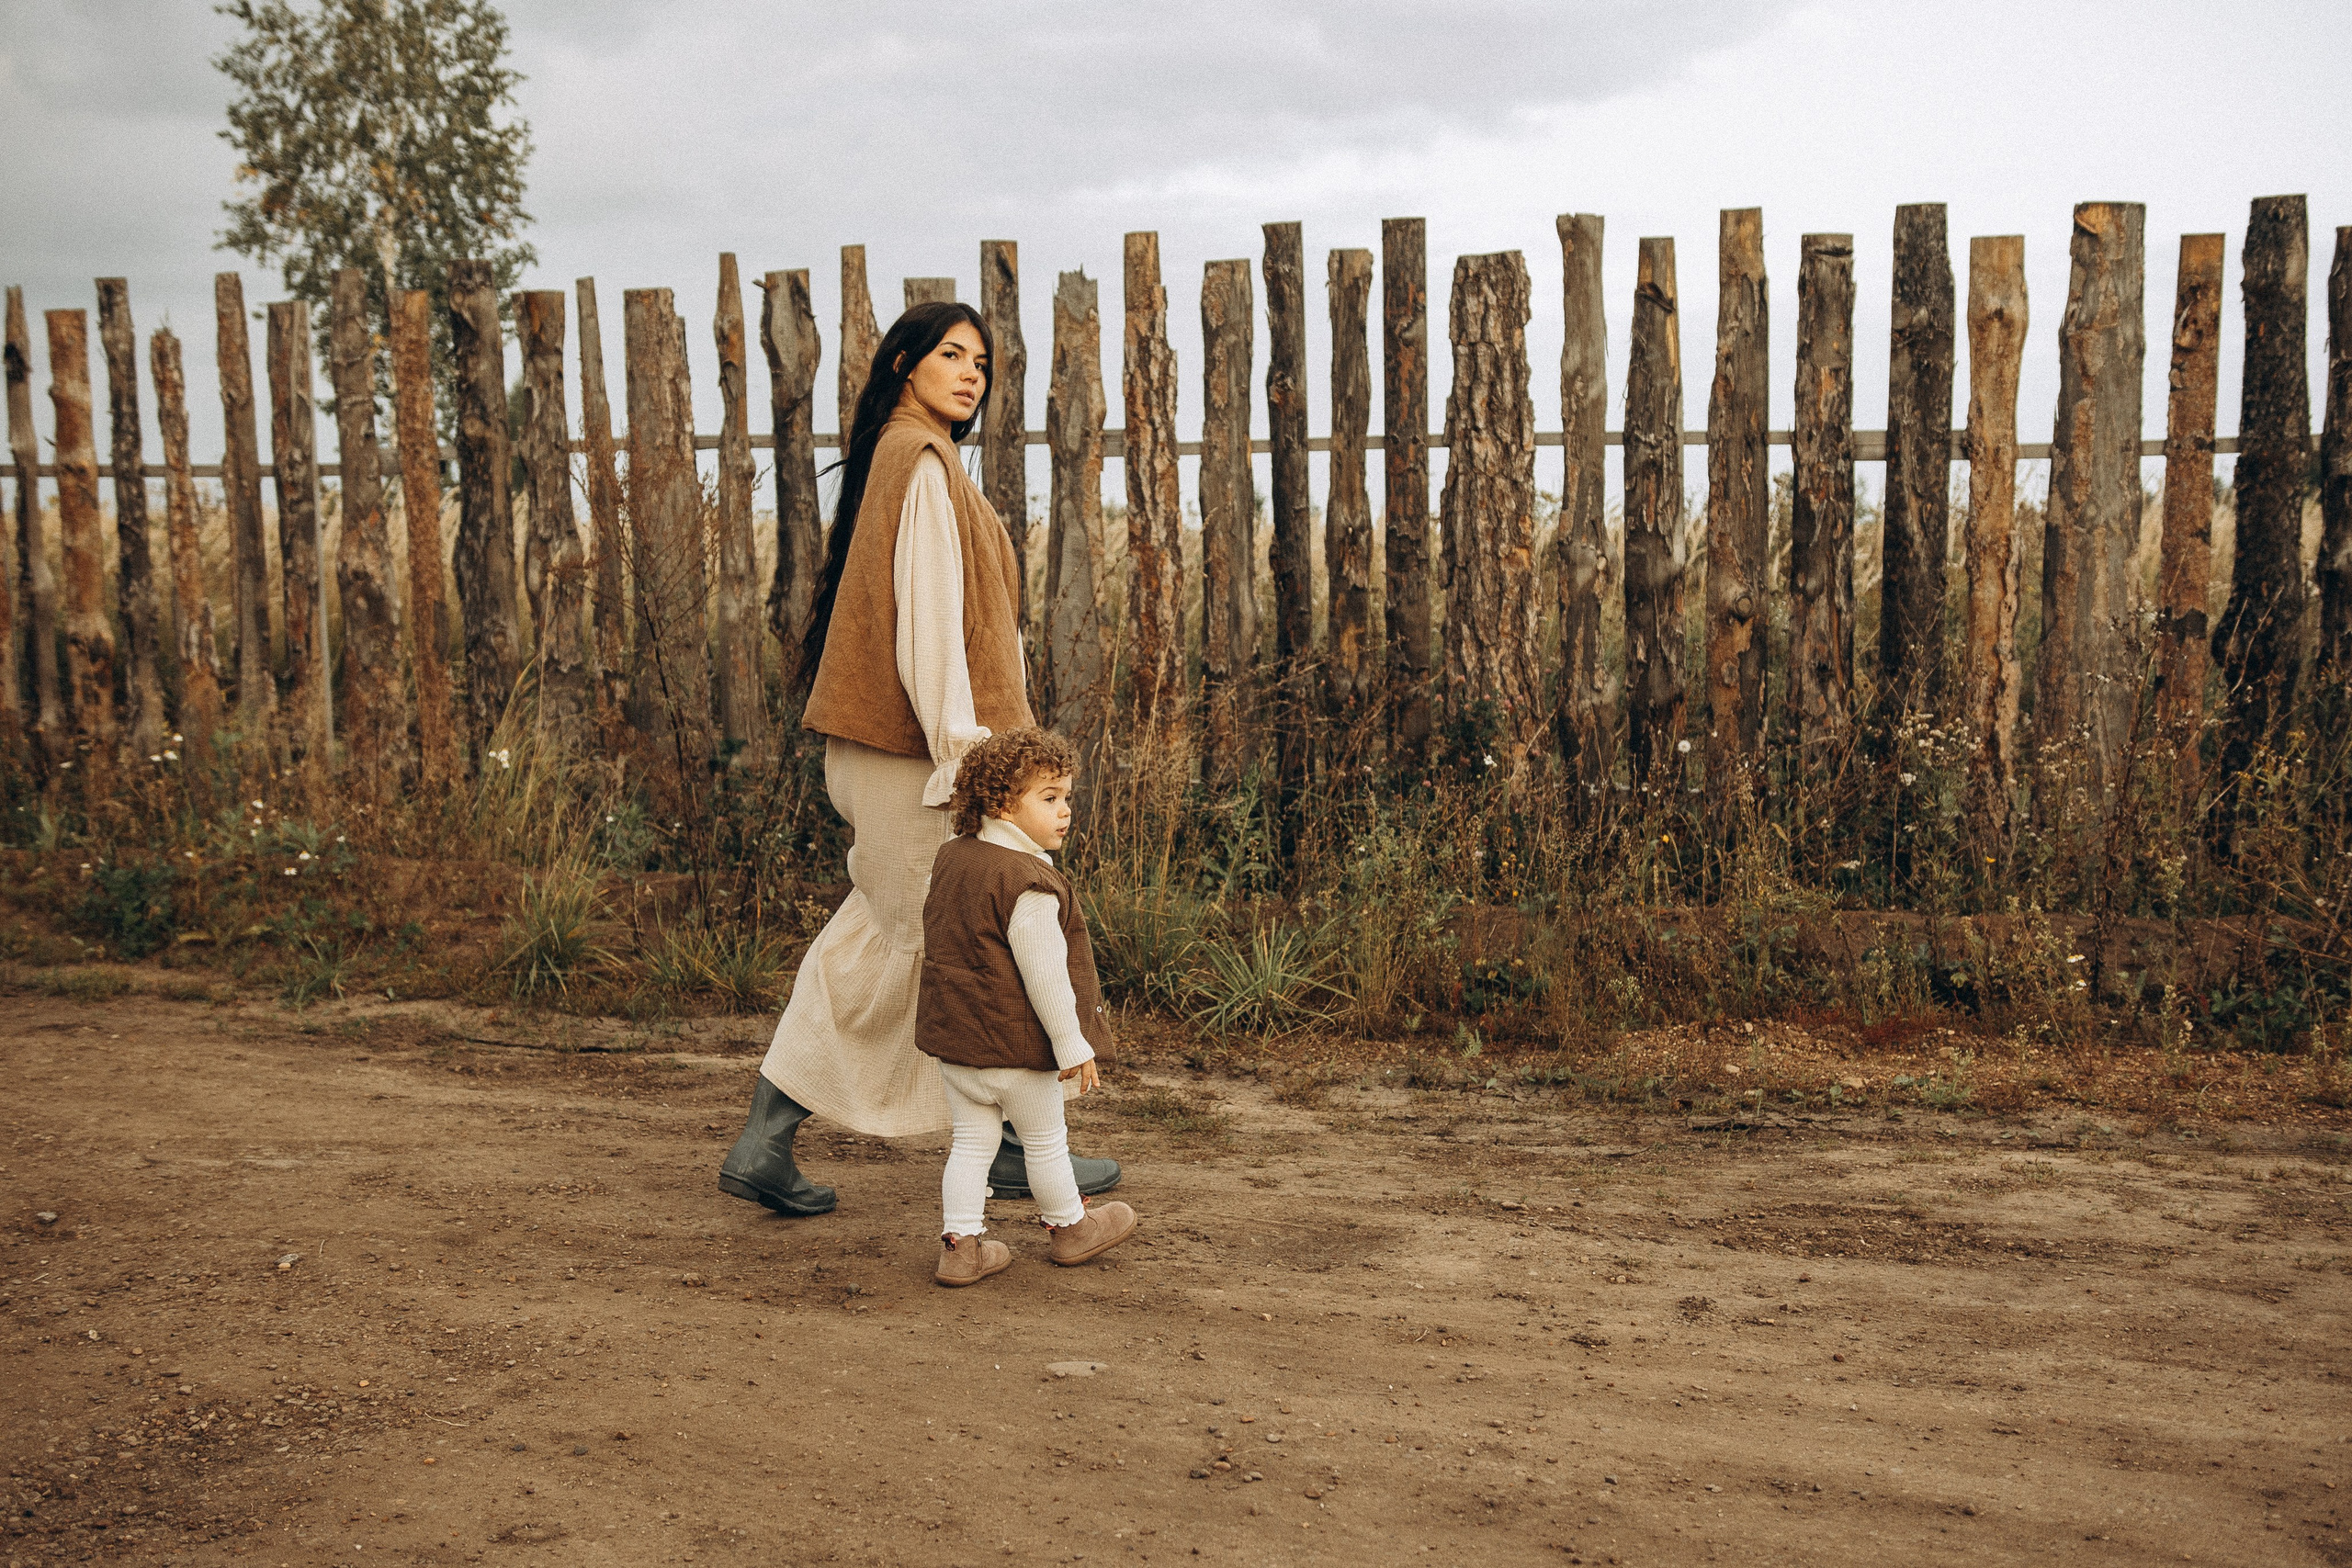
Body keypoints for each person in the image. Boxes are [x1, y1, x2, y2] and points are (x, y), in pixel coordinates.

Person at [718, 301, 1120, 1217]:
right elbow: (929, 627)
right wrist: (967, 761)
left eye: (982, 361)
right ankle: (1001, 1148)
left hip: (903, 754)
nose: (972, 373)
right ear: (902, 363)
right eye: (951, 354)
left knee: (913, 936)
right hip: (921, 758)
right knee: (940, 939)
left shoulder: (905, 459)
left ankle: (787, 1142)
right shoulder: (923, 464)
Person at [920, 727, 1137, 1286]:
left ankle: (960, 1247)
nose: (1065, 811)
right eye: (1049, 798)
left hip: (959, 1049)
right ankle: (1071, 1228)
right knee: (1045, 1141)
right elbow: (1046, 977)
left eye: (1066, 797)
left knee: (970, 1144)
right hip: (1015, 1052)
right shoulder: (1028, 881)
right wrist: (1072, 1046)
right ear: (1001, 803)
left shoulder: (952, 858)